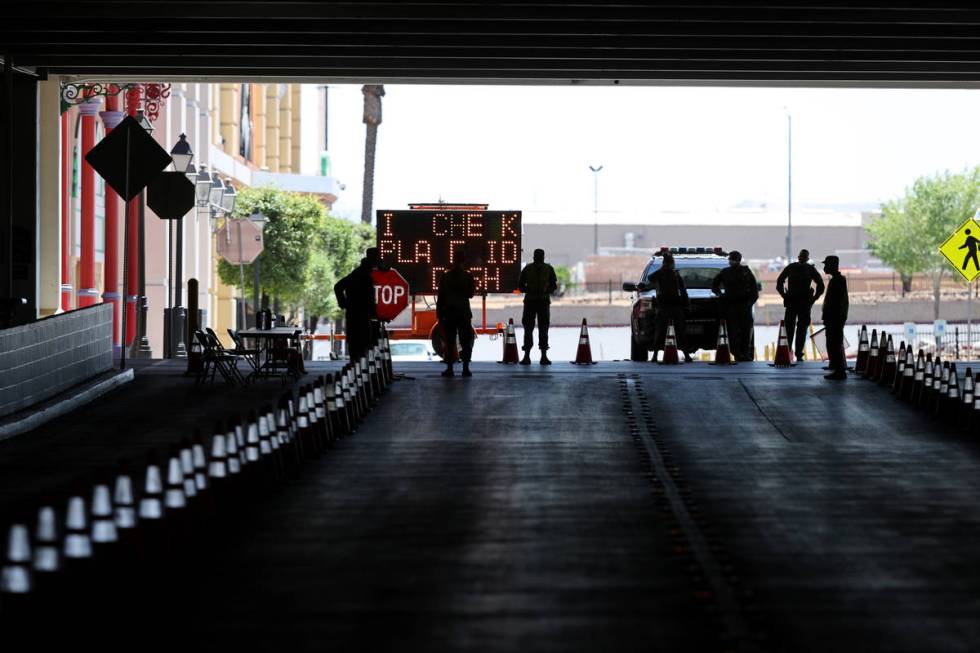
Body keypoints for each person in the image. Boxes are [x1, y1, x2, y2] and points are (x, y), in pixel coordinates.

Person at [776, 249, 825, 362]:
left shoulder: (800, 268)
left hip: (800, 303)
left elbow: (821, 285)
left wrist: (813, 299)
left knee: (799, 329)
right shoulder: (804, 268)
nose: (802, 258)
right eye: (802, 256)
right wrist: (784, 295)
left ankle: (796, 353)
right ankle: (793, 353)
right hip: (798, 303)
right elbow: (779, 281)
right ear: (799, 257)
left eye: (804, 256)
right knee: (793, 329)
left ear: (806, 258)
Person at [711, 250, 759, 361]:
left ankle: (744, 353)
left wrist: (749, 303)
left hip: (743, 306)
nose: (731, 261)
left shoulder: (746, 272)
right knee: (733, 331)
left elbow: (754, 290)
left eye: (732, 259)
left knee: (745, 331)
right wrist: (720, 294)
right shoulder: (726, 272)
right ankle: (737, 354)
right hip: (731, 306)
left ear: (737, 260)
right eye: (730, 259)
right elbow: (714, 285)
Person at [436, 248, 476, 377]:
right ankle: (465, 368)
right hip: (463, 313)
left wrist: (439, 314)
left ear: (453, 260)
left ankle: (450, 369)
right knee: (466, 342)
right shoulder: (468, 276)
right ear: (464, 261)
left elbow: (440, 297)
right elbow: (471, 294)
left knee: (449, 342)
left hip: (449, 313)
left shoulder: (445, 276)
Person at [334, 250, 378, 362]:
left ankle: (357, 371)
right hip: (361, 316)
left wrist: (344, 304)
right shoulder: (362, 275)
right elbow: (338, 286)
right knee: (362, 346)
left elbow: (338, 287)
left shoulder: (357, 273)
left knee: (356, 346)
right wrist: (344, 304)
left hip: (354, 314)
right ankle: (359, 372)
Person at [646, 252, 691, 363]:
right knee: (672, 331)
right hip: (669, 307)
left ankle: (657, 355)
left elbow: (683, 291)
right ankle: (657, 355)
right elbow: (684, 292)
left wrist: (685, 304)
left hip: (668, 307)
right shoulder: (666, 275)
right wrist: (686, 305)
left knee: (663, 332)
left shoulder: (673, 275)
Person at [518, 248, 558, 365]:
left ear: (534, 257)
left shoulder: (528, 269)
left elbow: (521, 286)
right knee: (540, 329)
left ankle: (527, 356)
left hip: (533, 302)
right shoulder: (548, 269)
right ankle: (542, 356)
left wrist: (530, 290)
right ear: (543, 257)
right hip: (540, 303)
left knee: (532, 330)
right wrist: (545, 291)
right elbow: (554, 286)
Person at [821, 255, 849, 380]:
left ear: (832, 266)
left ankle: (839, 371)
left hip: (835, 318)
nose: (824, 267)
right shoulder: (837, 280)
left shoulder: (837, 281)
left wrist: (831, 317)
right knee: (833, 343)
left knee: (834, 343)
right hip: (834, 318)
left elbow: (835, 303)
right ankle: (836, 367)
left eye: (826, 265)